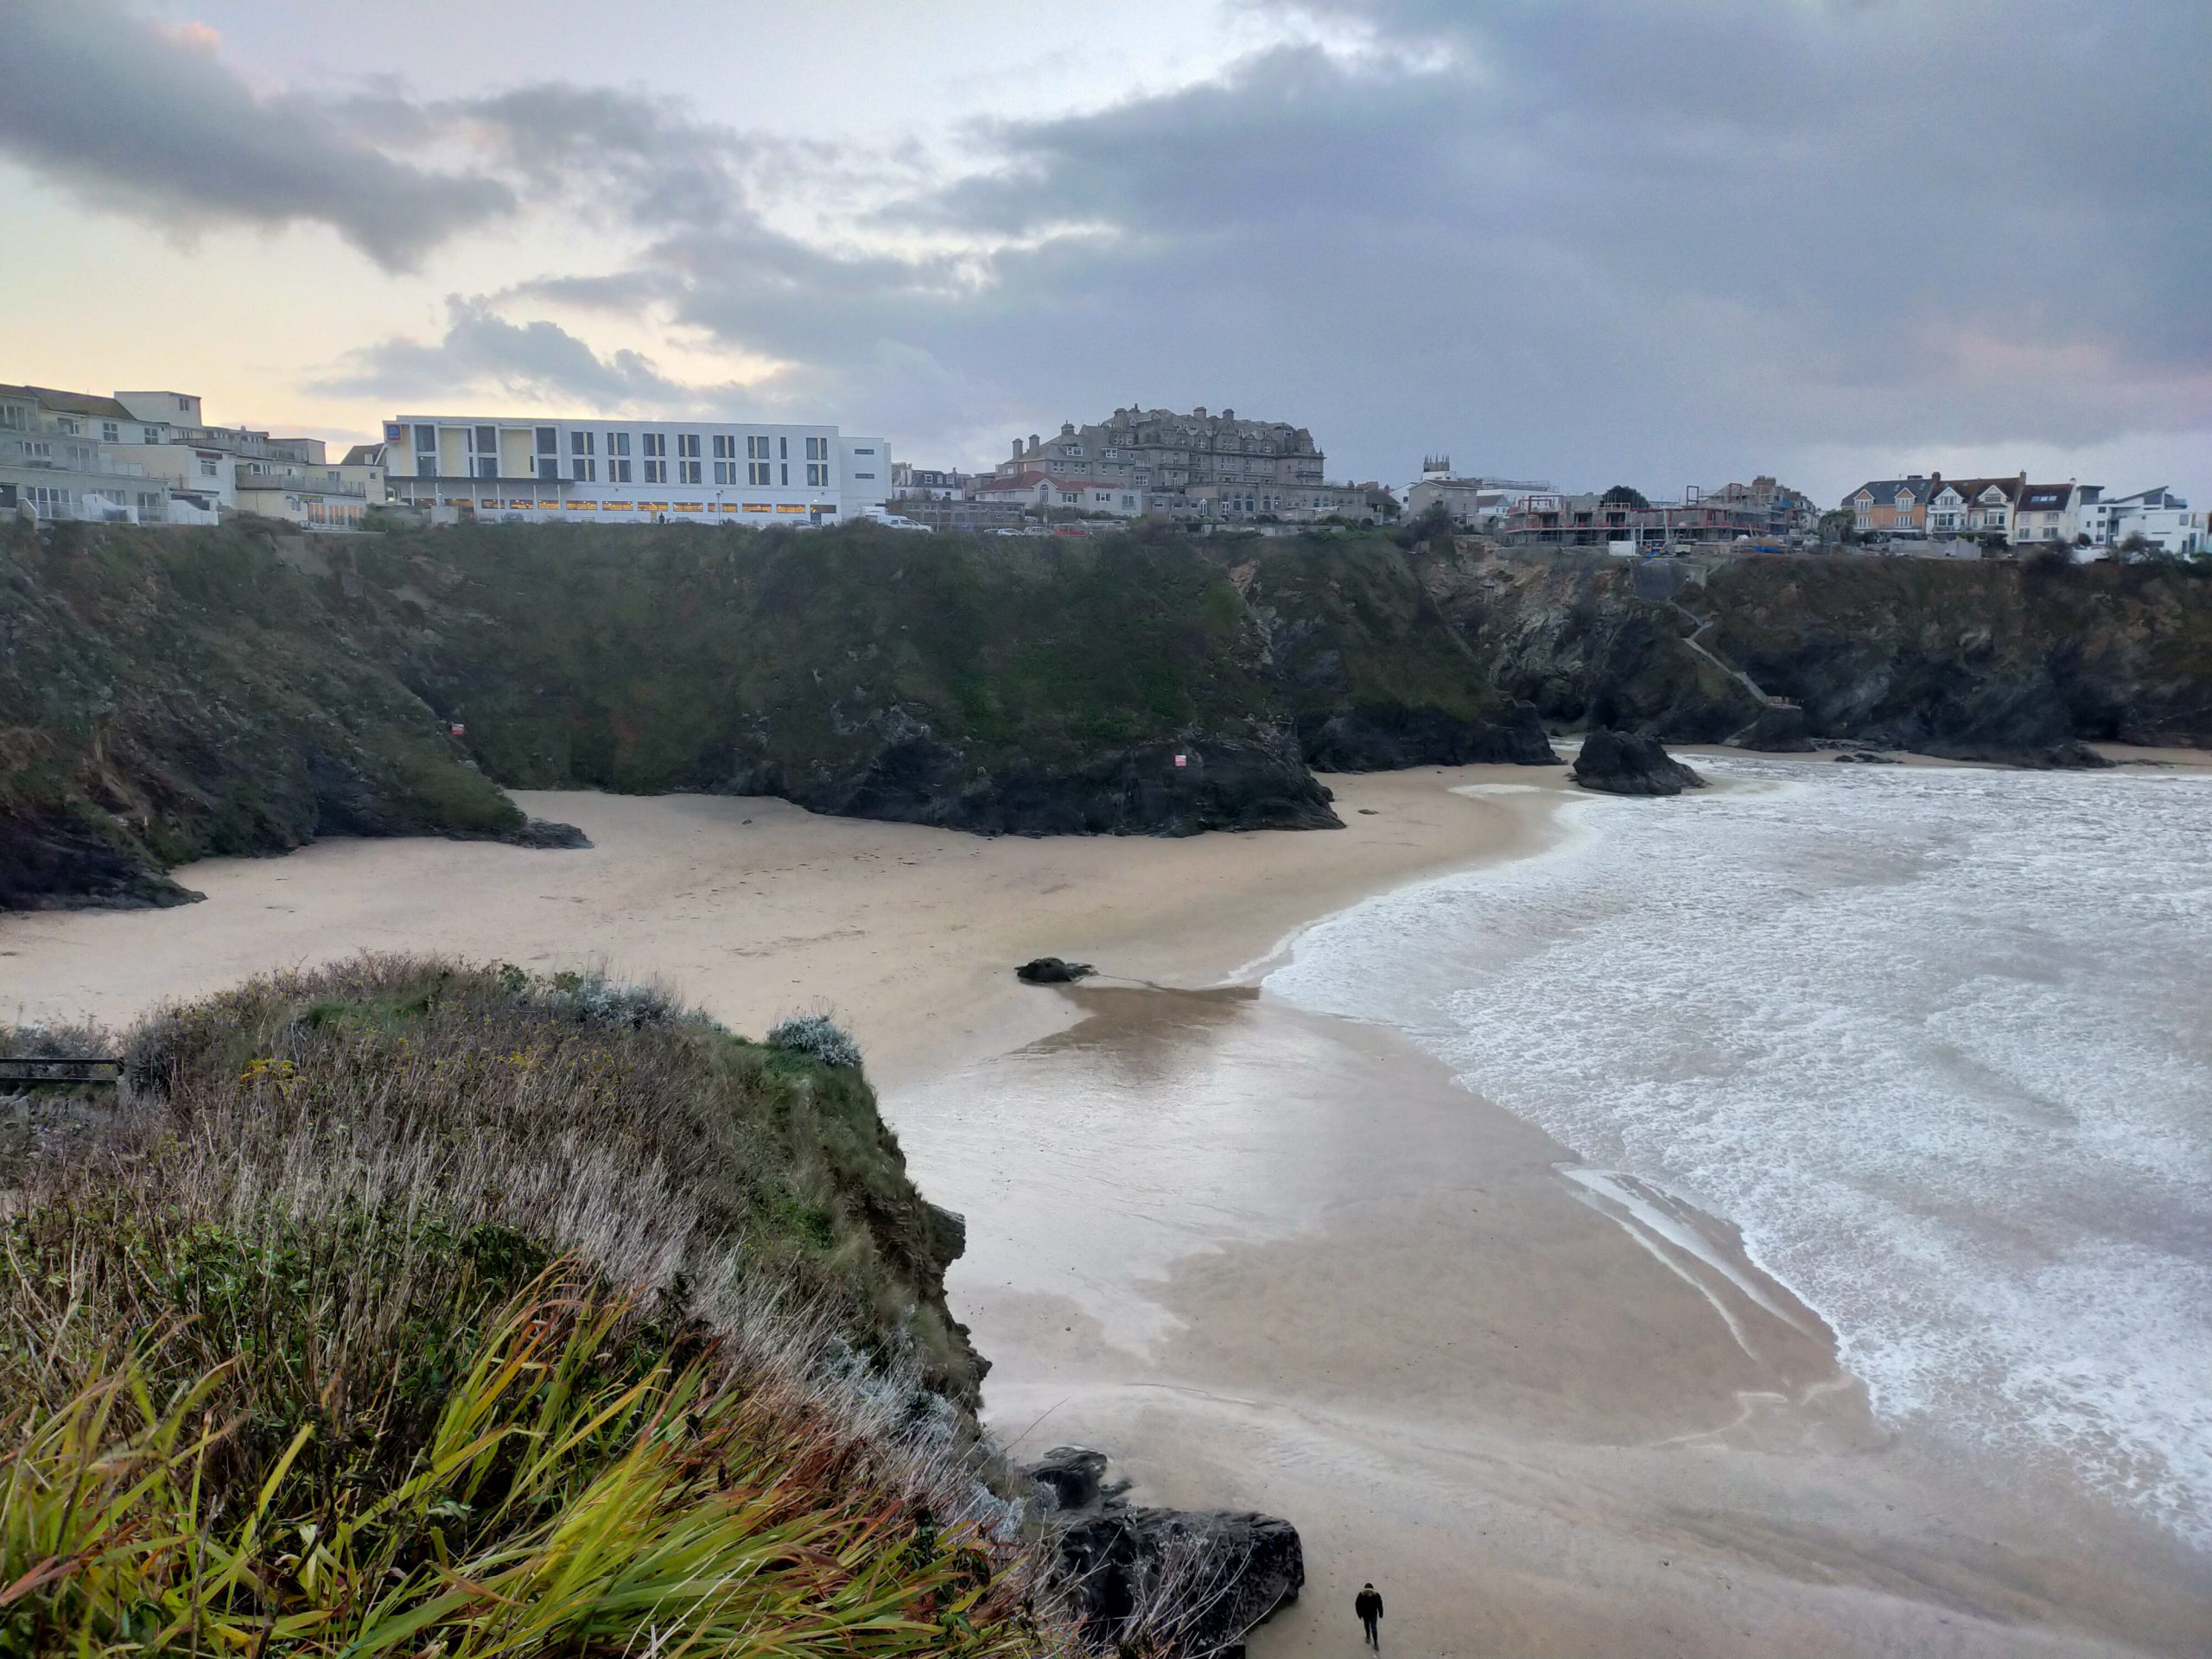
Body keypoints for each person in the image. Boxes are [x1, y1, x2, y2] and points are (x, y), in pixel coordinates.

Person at [1355, 1583, 1384, 1649]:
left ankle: (1368, 1636)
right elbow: (1380, 1605)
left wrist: (1359, 1614)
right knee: (1374, 1628)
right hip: (1373, 1614)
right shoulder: (1376, 1595)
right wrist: (1381, 1614)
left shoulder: (1361, 1595)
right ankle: (1376, 1643)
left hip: (1365, 1614)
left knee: (1367, 1625)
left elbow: (1357, 1605)